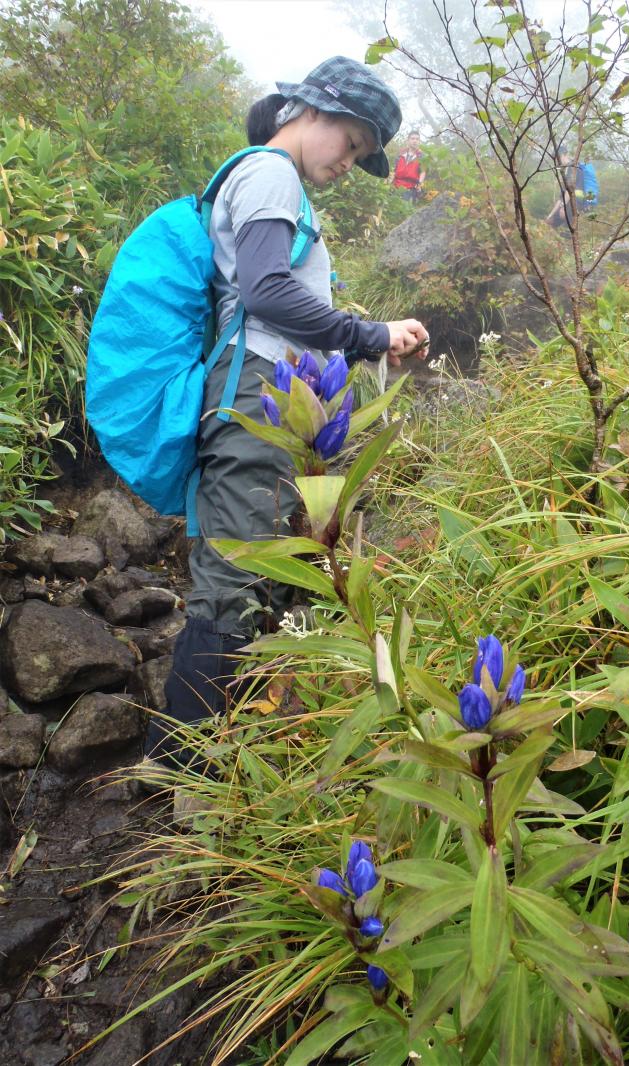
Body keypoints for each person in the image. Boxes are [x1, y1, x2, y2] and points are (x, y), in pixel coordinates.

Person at [145, 56, 429, 764]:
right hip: (257, 395)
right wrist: (369, 334)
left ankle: (233, 758)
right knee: (233, 584)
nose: (349, 162)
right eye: (354, 144)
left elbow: (277, 300)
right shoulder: (271, 173)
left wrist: (366, 345)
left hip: (275, 397)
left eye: (364, 154)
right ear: (312, 112)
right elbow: (269, 293)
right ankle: (178, 779)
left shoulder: (273, 183)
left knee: (269, 572)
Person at [545, 147, 599, 228]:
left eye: (558, 158)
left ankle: (567, 236)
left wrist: (563, 208)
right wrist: (550, 215)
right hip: (571, 202)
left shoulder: (572, 168)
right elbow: (561, 198)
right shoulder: (567, 170)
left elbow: (569, 190)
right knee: (552, 221)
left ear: (564, 155)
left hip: (575, 202)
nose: (557, 162)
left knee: (566, 227)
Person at [392, 130, 426, 202]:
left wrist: (419, 184)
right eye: (412, 138)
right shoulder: (401, 153)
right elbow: (395, 170)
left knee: (405, 211)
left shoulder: (421, 156)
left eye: (417, 139)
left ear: (419, 141)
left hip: (410, 188)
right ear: (408, 140)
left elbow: (423, 172)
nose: (415, 141)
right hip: (396, 186)